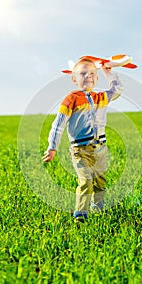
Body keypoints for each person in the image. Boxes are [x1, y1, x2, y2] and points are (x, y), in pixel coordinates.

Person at [42, 58, 123, 222]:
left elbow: (117, 89)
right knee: (86, 181)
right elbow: (59, 123)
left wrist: (109, 72)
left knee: (100, 183)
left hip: (100, 148)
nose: (88, 76)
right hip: (80, 150)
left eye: (92, 73)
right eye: (83, 73)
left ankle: (98, 210)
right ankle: (80, 215)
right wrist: (52, 147)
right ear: (74, 79)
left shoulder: (101, 97)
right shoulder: (71, 99)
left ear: (97, 78)